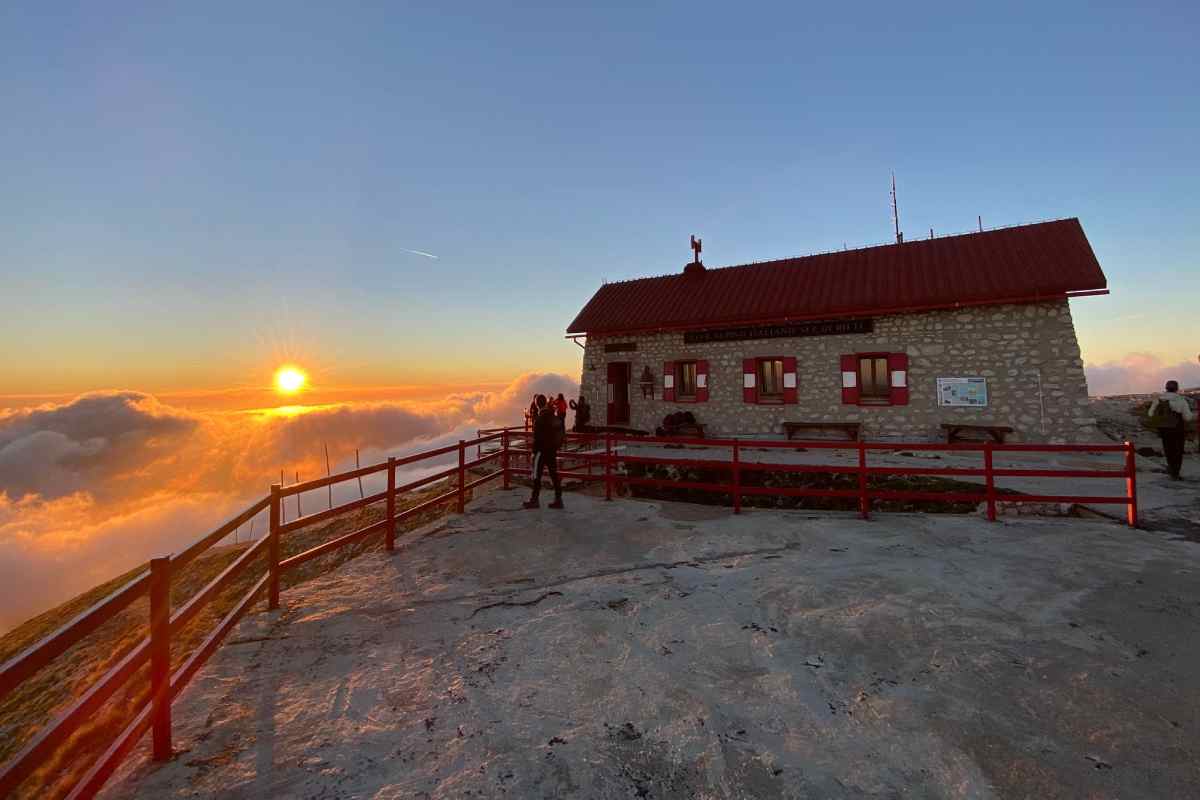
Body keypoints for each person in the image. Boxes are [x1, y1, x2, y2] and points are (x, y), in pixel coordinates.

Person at [1148, 380, 1195, 480]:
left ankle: (1171, 470)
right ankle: (1175, 473)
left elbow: (1150, 414)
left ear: (1166, 388)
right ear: (1177, 389)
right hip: (1177, 428)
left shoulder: (1159, 399)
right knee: (1177, 451)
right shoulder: (1180, 400)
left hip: (1164, 429)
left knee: (1168, 450)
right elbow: (1187, 417)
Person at [524, 394, 564, 509]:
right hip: (552, 450)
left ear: (537, 404)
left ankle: (534, 500)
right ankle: (558, 499)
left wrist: (534, 452)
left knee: (536, 475)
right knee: (554, 474)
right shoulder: (552, 416)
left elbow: (537, 438)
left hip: (541, 451)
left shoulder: (539, 418)